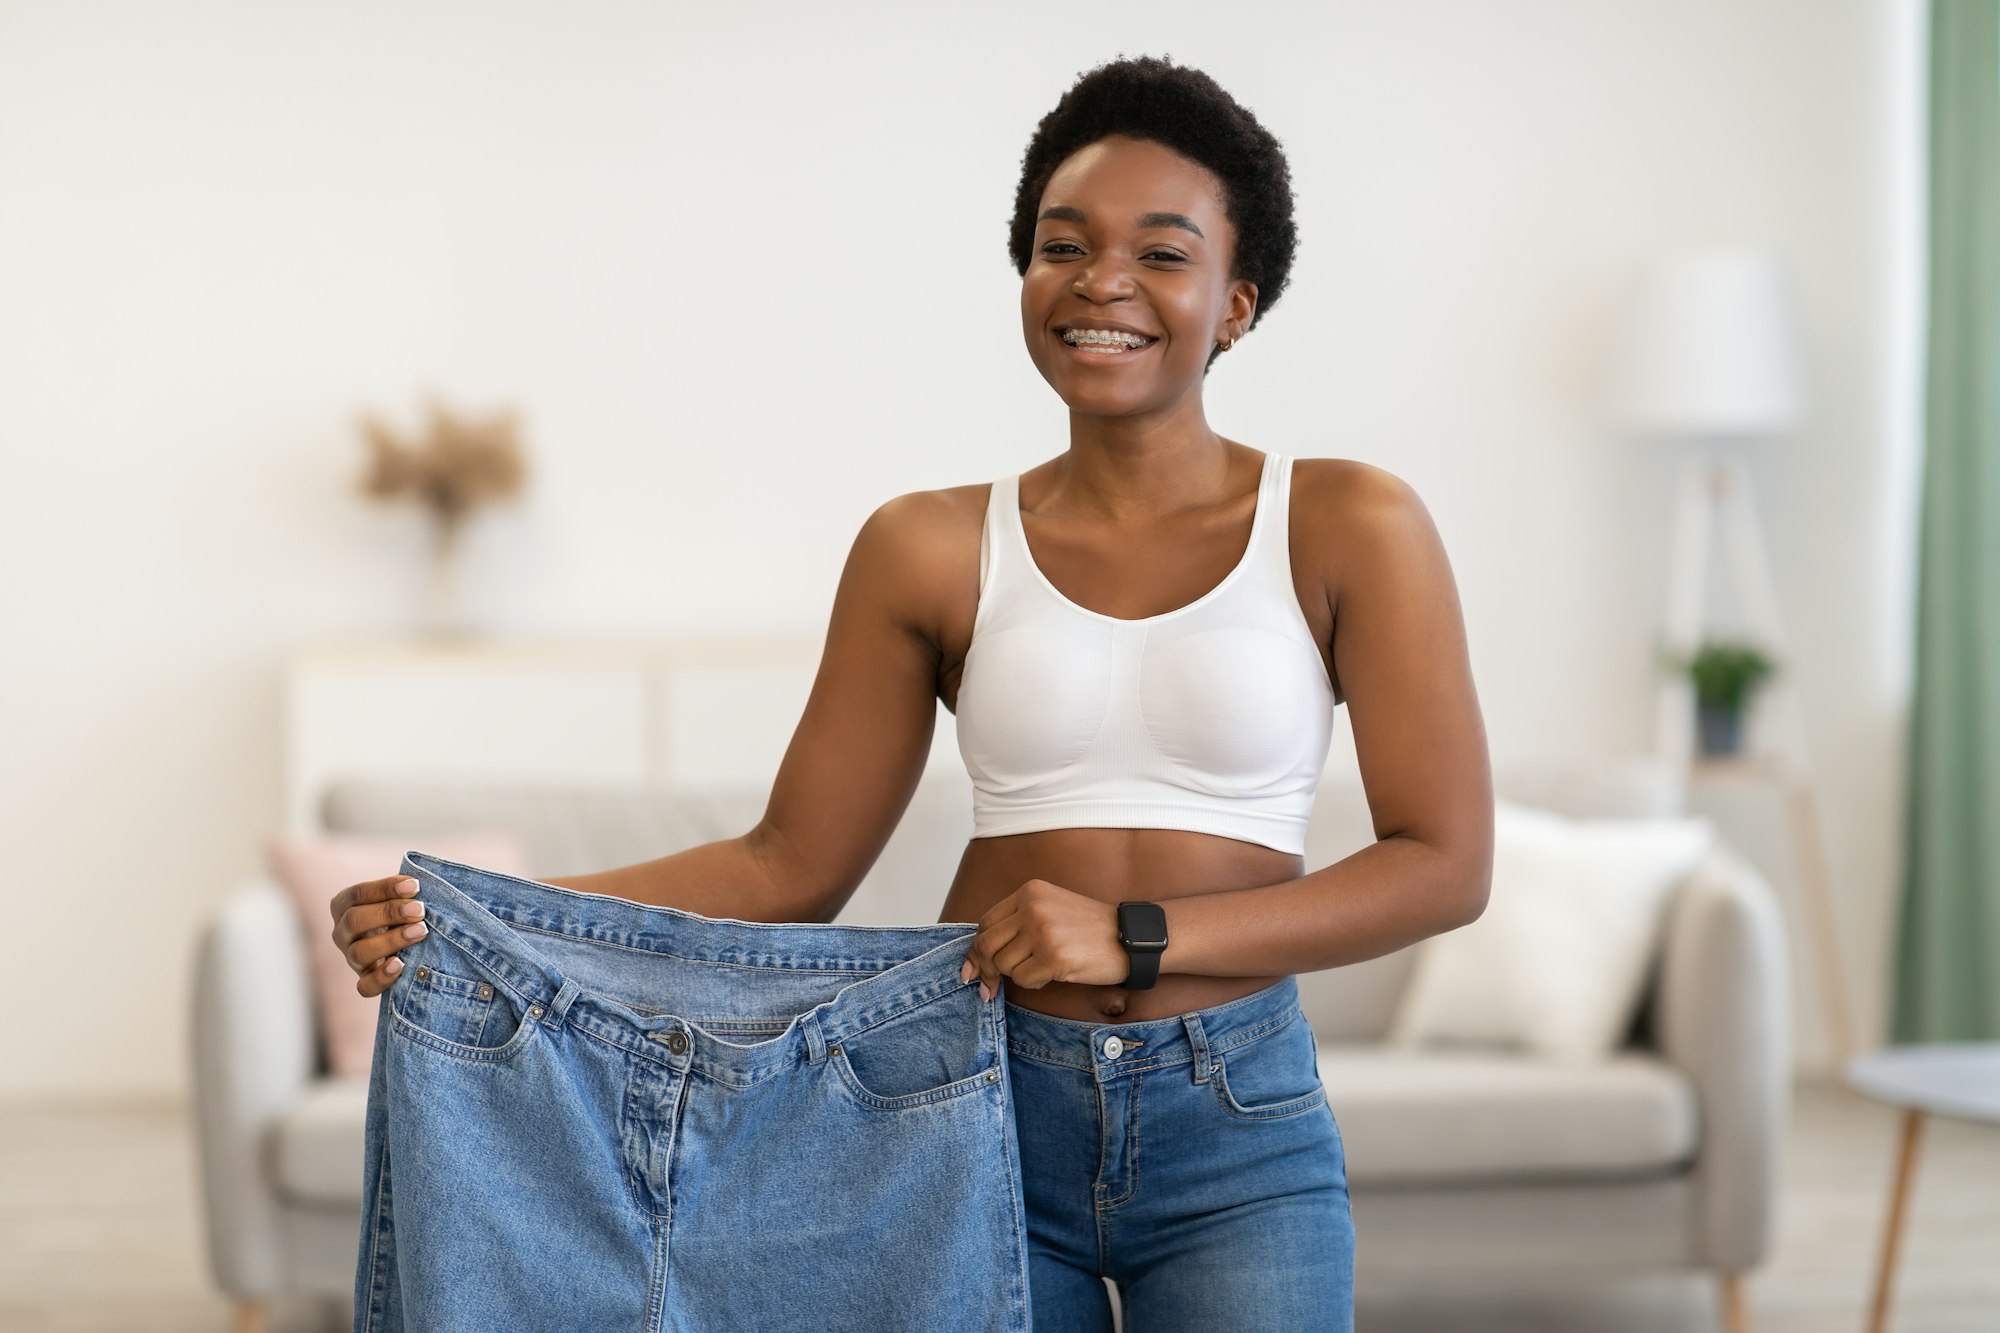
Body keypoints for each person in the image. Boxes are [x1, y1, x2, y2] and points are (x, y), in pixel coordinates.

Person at [329, 52, 1492, 1332]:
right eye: (1064, 244)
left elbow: (1442, 861)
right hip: (964, 1098)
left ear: (1236, 301)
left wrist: (1137, 934)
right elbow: (788, 865)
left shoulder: (1346, 522)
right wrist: (482, 916)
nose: (1102, 280)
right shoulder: (925, 545)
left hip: (1237, 1126)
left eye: (1161, 253)